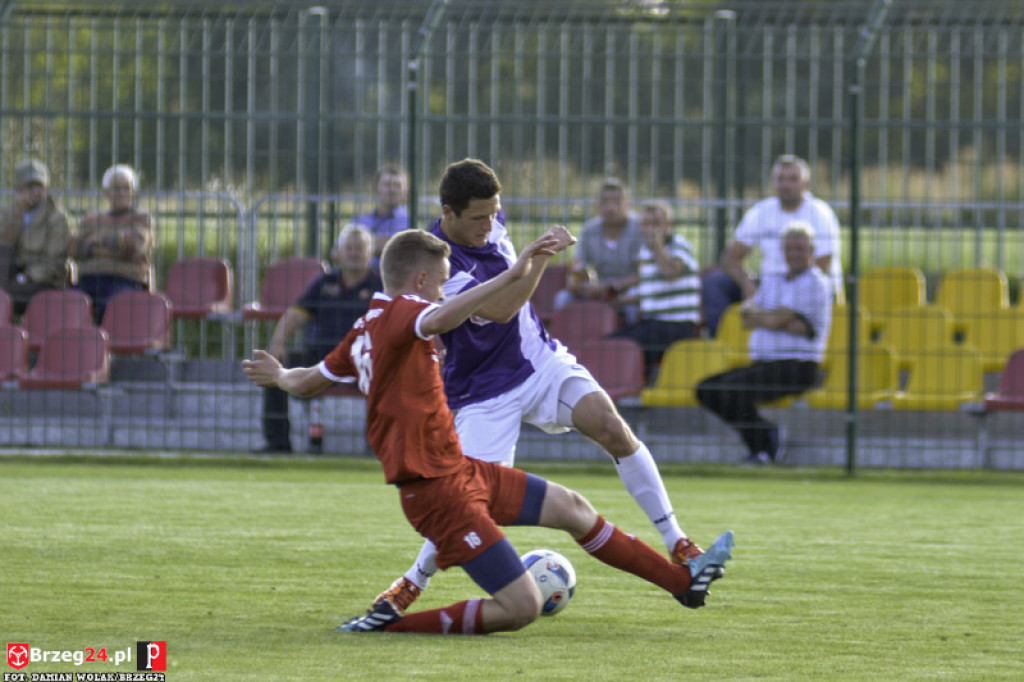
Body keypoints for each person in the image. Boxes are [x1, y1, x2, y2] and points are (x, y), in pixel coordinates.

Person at [241, 229, 734, 635]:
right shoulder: (404, 313)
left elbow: (308, 381)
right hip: (436, 493)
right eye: (440, 280)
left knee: (573, 508)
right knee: (521, 607)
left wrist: (279, 374)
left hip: (460, 471)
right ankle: (389, 626)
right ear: (418, 280)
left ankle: (682, 584)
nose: (444, 288)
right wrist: (516, 273)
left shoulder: (362, 329)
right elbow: (444, 315)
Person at [372, 158, 718, 616]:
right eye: (478, 217)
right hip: (483, 394)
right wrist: (537, 257)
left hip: (541, 363)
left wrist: (530, 256)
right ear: (449, 213)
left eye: (495, 213)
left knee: (612, 427)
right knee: (466, 504)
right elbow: (503, 307)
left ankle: (679, 542)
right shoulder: (439, 265)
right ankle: (411, 583)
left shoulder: (492, 222)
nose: (489, 224)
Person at [696, 222, 832, 466]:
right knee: (707, 389)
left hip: (798, 365)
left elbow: (774, 317)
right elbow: (747, 314)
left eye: (800, 249)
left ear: (812, 250)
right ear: (782, 251)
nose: (794, 254)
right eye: (789, 249)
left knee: (732, 390)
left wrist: (772, 318)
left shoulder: (816, 282)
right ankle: (765, 436)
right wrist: (777, 319)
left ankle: (764, 448)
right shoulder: (774, 279)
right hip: (765, 362)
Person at [256, 224, 382, 454]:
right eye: (349, 248)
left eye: (360, 248)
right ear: (337, 253)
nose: (354, 253)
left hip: (364, 359)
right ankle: (278, 443)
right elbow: (295, 313)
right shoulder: (323, 283)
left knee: (387, 376)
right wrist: (277, 343)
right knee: (275, 371)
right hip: (321, 356)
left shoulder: (379, 285)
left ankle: (375, 448)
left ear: (371, 253)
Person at [701, 154, 843, 336]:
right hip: (769, 284)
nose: (786, 185)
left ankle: (778, 325)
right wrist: (749, 287)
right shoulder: (762, 211)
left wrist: (786, 299)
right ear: (773, 183)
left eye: (793, 179)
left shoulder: (820, 214)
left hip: (807, 286)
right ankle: (721, 340)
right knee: (715, 282)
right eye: (780, 179)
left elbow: (822, 266)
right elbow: (731, 258)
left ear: (805, 184)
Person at [610, 200, 700, 371]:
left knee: (616, 348)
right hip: (652, 323)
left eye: (655, 224)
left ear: (668, 225)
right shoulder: (645, 251)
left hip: (676, 326)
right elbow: (652, 291)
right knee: (607, 345)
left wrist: (658, 247)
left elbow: (670, 272)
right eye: (645, 224)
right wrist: (622, 300)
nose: (650, 229)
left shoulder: (679, 245)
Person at [68, 164, 155, 323]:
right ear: (106, 193)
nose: (122, 193)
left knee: (113, 307)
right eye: (116, 188)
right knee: (65, 303)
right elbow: (73, 247)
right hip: (89, 278)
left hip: (125, 280)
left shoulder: (141, 219)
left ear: (133, 193)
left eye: (126, 188)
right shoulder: (91, 219)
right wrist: (115, 245)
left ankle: (108, 347)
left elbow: (133, 247)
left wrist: (95, 242)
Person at [553, 178, 642, 323]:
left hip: (629, 289)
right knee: (562, 298)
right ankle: (560, 341)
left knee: (634, 305)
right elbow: (578, 265)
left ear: (628, 204)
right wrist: (579, 285)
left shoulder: (639, 229)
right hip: (597, 288)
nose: (610, 207)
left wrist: (613, 287)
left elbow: (643, 273)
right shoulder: (589, 230)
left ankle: (631, 343)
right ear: (597, 205)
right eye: (605, 202)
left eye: (616, 201)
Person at [0, 160, 72, 315]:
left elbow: (54, 264)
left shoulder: (57, 218)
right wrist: (18, 215)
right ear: (19, 188)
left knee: (8, 296)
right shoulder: (7, 212)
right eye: (29, 186)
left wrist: (25, 278)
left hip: (40, 280)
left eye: (39, 186)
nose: (35, 191)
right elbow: (4, 247)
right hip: (10, 274)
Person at [352, 164, 409, 271]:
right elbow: (337, 252)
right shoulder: (359, 221)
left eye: (397, 185)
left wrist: (361, 246)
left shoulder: (411, 223)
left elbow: (407, 254)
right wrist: (384, 244)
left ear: (405, 192)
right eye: (387, 185)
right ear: (375, 189)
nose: (392, 190)